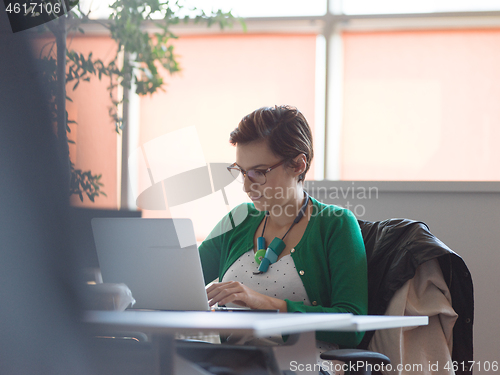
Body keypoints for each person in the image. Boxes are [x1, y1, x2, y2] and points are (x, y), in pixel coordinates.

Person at [198, 105, 368, 369]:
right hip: (233, 362)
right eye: (241, 171)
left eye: (259, 172)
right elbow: (181, 283)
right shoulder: (237, 220)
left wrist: (264, 303)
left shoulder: (335, 225)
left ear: (298, 164)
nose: (246, 186)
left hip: (304, 364)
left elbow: (352, 325)